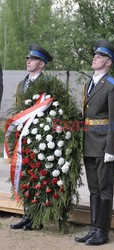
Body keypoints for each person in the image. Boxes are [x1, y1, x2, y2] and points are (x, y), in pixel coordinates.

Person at [75, 40, 114, 245]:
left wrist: (112, 149)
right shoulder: (89, 83)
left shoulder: (113, 86)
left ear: (108, 62)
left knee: (105, 189)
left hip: (104, 144)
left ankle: (103, 232)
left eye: (100, 56)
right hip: (89, 143)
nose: (95, 57)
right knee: (93, 188)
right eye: (95, 55)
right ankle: (94, 228)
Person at [10, 43, 53, 230]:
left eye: (33, 59)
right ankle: (27, 214)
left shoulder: (47, 84)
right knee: (25, 173)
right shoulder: (22, 83)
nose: (28, 61)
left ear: (41, 64)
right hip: (23, 135)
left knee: (38, 175)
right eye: (28, 58)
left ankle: (38, 217)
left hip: (39, 136)